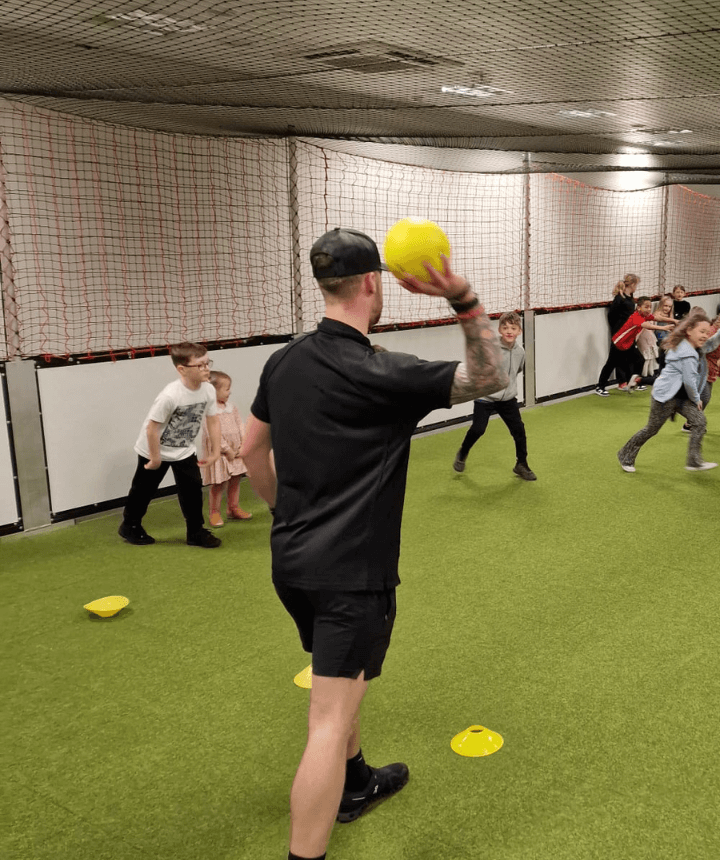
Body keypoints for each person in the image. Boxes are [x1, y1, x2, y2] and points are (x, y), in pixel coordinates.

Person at [239, 227, 507, 860]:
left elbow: (250, 449)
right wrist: (461, 295)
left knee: (342, 680)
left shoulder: (284, 361)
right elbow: (490, 374)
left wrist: (283, 514)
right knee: (327, 721)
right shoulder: (384, 372)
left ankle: (357, 782)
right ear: (370, 284)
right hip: (351, 576)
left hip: (292, 564)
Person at [117, 342, 222, 548]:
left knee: (192, 490)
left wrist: (216, 451)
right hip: (153, 448)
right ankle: (130, 525)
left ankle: (195, 531)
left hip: (184, 450)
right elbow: (152, 429)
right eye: (200, 365)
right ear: (182, 369)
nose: (206, 369)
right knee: (143, 490)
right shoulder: (170, 395)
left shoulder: (208, 390)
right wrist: (155, 458)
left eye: (207, 363)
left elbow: (213, 420)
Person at [617, 308, 720, 473]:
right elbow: (689, 381)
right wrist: (697, 399)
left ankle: (694, 461)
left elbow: (710, 345)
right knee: (651, 429)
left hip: (680, 398)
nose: (705, 335)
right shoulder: (687, 353)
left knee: (699, 422)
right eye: (702, 332)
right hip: (665, 397)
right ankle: (625, 455)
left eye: (707, 332)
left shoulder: (694, 347)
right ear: (689, 331)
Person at [453, 311, 536, 480]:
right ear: (499, 330)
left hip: (508, 399)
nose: (509, 331)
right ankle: (463, 452)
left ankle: (521, 464)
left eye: (513, 328)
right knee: (478, 429)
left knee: (519, 431)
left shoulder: (520, 352)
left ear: (519, 331)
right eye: (505, 328)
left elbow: (517, 370)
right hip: (485, 397)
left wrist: (507, 388)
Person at [200, 370, 251, 527]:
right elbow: (212, 433)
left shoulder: (231, 407)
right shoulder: (209, 410)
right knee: (218, 483)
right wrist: (226, 449)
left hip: (236, 451)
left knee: (235, 479)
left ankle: (233, 508)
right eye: (227, 389)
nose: (230, 392)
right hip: (220, 453)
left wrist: (243, 444)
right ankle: (214, 512)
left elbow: (240, 425)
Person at [611, 295, 674, 391]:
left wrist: (674, 320)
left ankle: (634, 381)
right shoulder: (636, 317)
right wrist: (663, 328)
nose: (649, 309)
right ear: (638, 307)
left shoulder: (644, 316)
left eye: (650, 307)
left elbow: (658, 318)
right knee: (610, 365)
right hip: (618, 343)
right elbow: (647, 326)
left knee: (640, 360)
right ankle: (601, 387)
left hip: (628, 343)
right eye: (646, 307)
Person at [594, 274, 639, 396]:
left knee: (631, 358)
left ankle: (628, 382)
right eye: (636, 285)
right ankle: (600, 386)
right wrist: (617, 330)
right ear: (632, 284)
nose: (636, 287)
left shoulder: (630, 297)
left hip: (628, 333)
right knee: (612, 361)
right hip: (619, 335)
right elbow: (611, 315)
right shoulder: (619, 299)